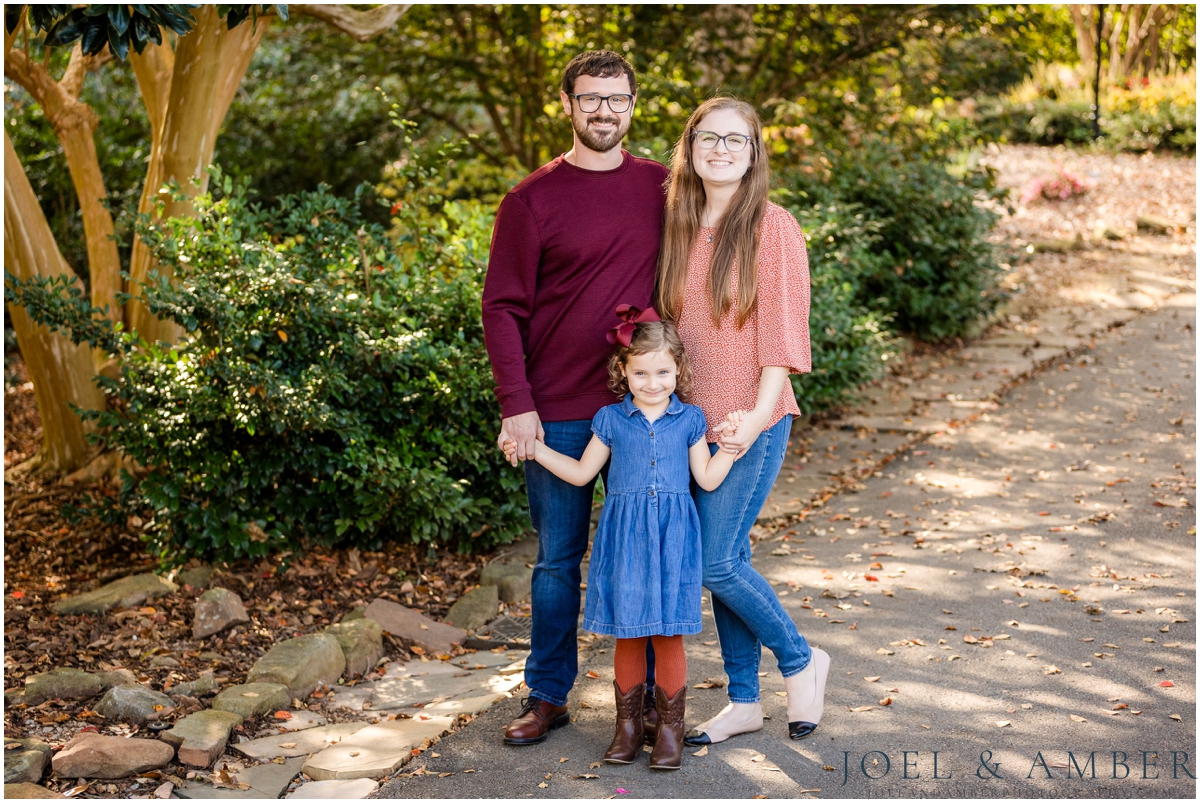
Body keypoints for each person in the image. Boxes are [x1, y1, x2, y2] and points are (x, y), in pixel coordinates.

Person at [481, 50, 670, 746]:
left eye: (616, 99)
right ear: (566, 104)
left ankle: (648, 696)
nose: (603, 111)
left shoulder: (661, 186)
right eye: (590, 98)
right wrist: (515, 403)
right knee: (558, 558)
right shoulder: (531, 199)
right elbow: (501, 307)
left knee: (642, 553)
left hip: (640, 408)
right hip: (555, 405)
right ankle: (548, 693)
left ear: (632, 106)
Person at [655, 97, 831, 745]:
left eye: (736, 140)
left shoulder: (772, 226)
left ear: (754, 153)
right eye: (708, 137)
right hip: (688, 426)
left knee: (715, 560)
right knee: (730, 557)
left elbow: (783, 332)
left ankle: (800, 659)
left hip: (750, 419)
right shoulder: (676, 223)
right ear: (690, 145)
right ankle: (744, 699)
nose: (721, 149)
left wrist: (756, 416)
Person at [504, 310, 740, 769]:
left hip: (674, 540)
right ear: (623, 371)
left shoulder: (691, 420)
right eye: (641, 372)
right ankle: (627, 728)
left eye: (663, 372)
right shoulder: (611, 420)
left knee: (669, 634)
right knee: (628, 635)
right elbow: (580, 472)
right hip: (625, 540)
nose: (653, 383)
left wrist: (729, 447)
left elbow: (707, 480)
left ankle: (669, 732)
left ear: (678, 371)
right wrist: (534, 447)